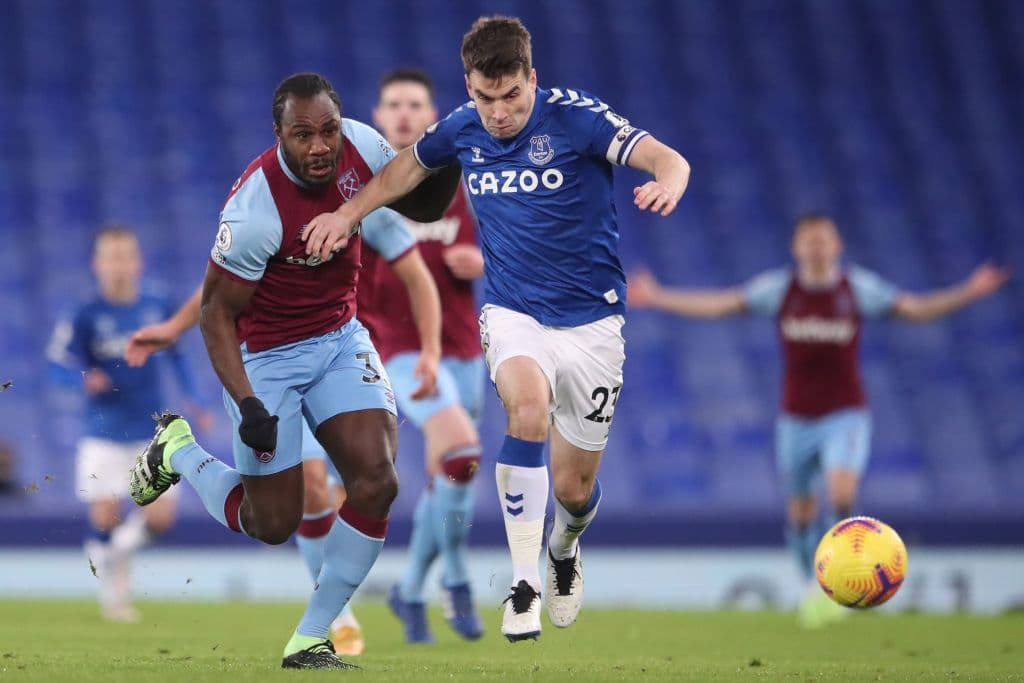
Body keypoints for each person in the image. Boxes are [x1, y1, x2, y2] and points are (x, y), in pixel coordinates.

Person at [300, 17, 692, 641]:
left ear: (532, 79)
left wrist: (669, 179)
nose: (500, 112)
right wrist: (348, 212)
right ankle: (522, 583)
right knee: (526, 411)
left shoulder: (577, 118)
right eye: (486, 98)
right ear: (469, 86)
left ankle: (563, 550)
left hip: (593, 322)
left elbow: (662, 156)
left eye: (512, 96)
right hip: (514, 313)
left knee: (574, 486)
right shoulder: (461, 127)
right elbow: (405, 170)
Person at [127, 72, 455, 669]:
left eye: (328, 129)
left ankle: (311, 637)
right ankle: (178, 451)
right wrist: (249, 404)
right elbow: (215, 315)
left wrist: (449, 149)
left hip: (338, 339)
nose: (320, 146)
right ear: (278, 134)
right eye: (303, 134)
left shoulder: (362, 145)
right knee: (271, 522)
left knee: (377, 481)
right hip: (266, 356)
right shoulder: (254, 209)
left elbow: (422, 199)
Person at [628, 213, 1010, 627]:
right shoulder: (781, 290)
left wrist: (969, 291)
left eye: (823, 240)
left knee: (841, 492)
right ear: (796, 248)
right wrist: (659, 296)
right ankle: (815, 586)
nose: (817, 247)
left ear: (837, 246)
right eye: (809, 241)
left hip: (845, 414)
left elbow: (915, 309)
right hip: (796, 419)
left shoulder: (856, 289)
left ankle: (848, 578)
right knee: (800, 514)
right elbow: (721, 304)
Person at [367, 68, 487, 643]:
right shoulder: (363, 189)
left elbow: (505, 249)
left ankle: (412, 587)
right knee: (459, 451)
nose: (406, 113)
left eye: (416, 104)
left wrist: (483, 263)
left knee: (454, 476)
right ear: (378, 115)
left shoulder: (456, 185)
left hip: (465, 348)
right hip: (397, 348)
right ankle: (455, 579)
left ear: (432, 114)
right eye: (395, 105)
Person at [46, 226, 211, 622]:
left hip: (148, 428)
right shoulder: (84, 312)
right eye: (111, 258)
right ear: (97, 264)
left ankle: (110, 555)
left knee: (160, 518)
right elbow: (56, 365)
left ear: (138, 262)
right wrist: (84, 378)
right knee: (105, 516)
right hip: (101, 431)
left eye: (125, 257)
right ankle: (113, 598)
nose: (119, 266)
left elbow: (177, 354)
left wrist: (195, 397)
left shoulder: (157, 302)